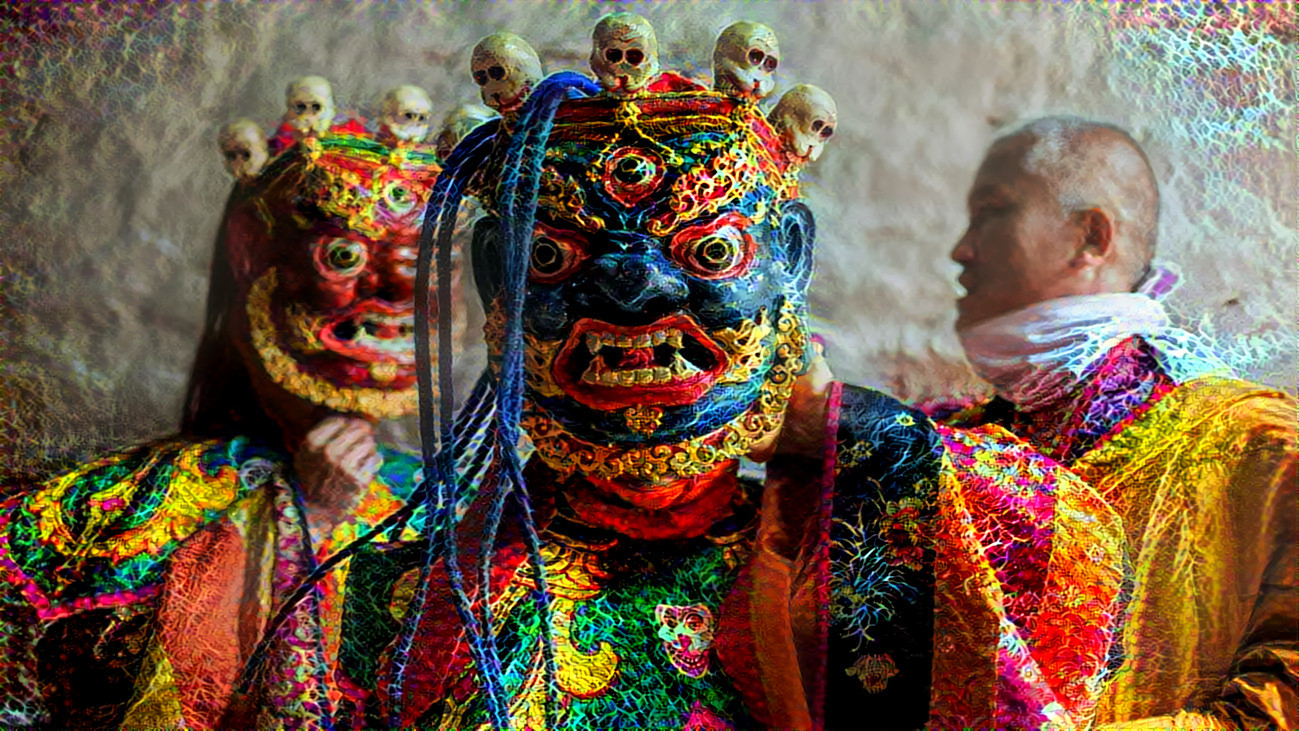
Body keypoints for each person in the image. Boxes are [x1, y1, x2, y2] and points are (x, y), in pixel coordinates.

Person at [321, 17, 1128, 730]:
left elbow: (1074, 564)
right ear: (496, 280)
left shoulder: (840, 557)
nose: (635, 291)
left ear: (790, 261)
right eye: (554, 256)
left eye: (709, 252)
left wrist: (848, 426)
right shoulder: (407, 602)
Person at [0, 123, 449, 728]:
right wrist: (306, 521)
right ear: (252, 259)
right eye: (345, 255)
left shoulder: (460, 507)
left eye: (421, 262)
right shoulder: (115, 510)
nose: (399, 288)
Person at [938, 115, 1297, 728]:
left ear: (1092, 238)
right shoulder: (961, 438)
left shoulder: (1254, 441)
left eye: (991, 213)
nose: (960, 251)